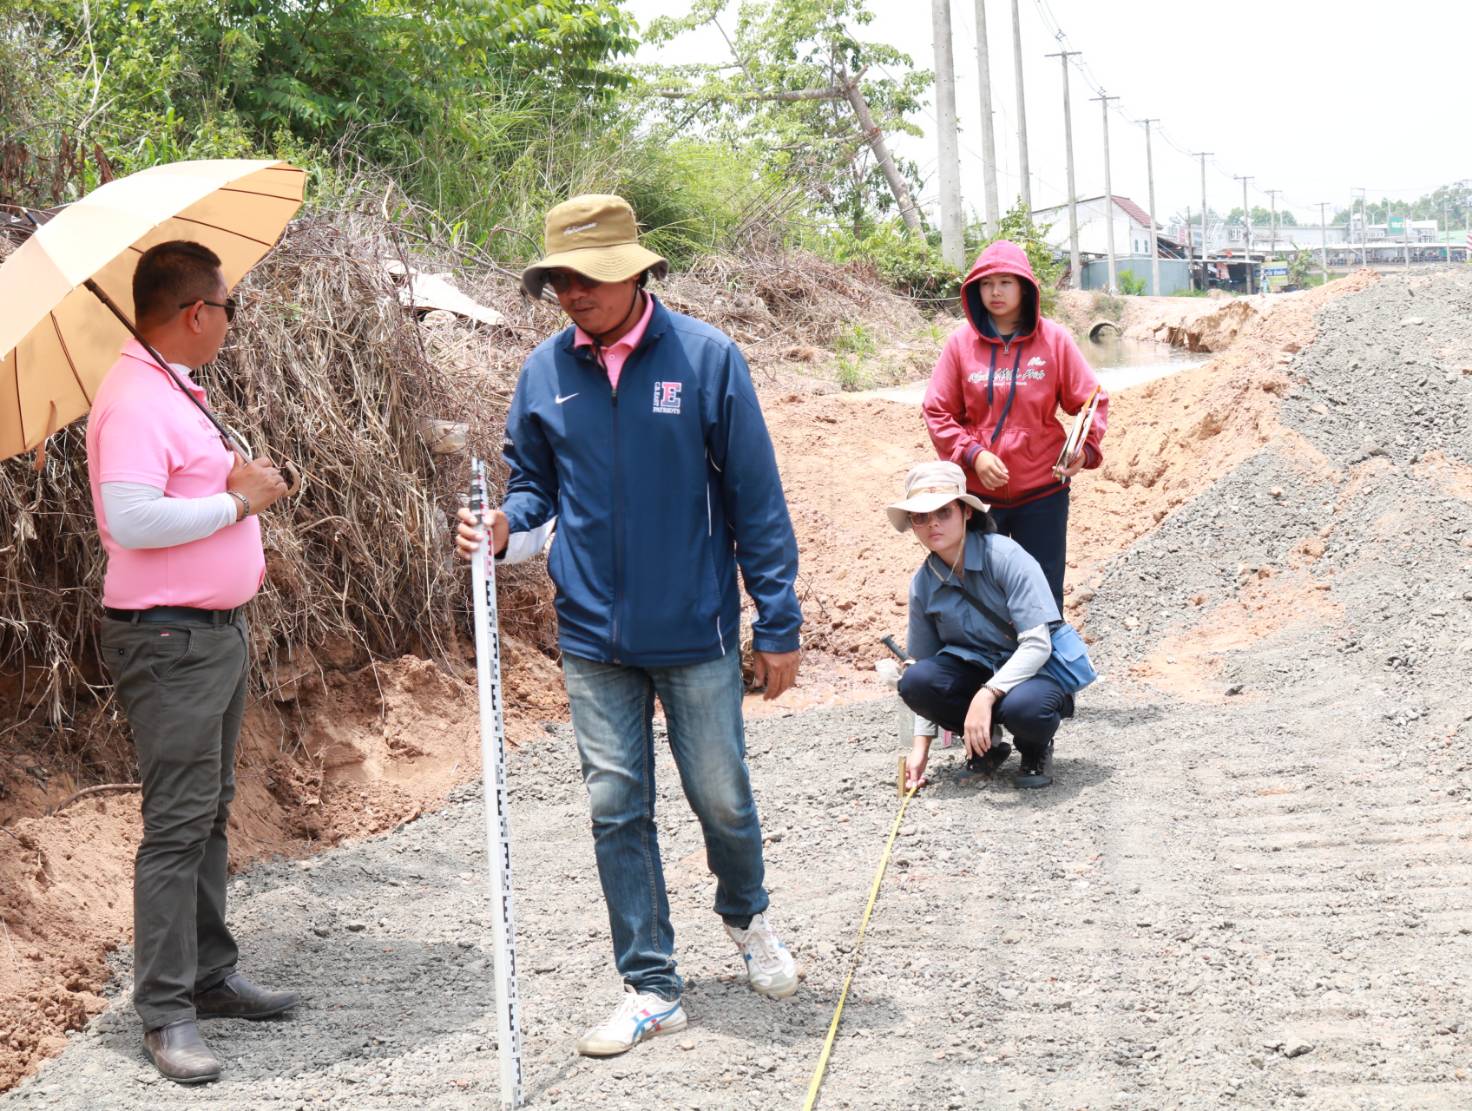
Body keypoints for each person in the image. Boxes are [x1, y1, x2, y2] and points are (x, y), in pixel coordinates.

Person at [454, 194, 803, 1058]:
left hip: (696, 628)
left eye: (589, 276)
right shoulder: (544, 373)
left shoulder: (708, 359)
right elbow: (534, 492)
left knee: (721, 795)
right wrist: (500, 529)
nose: (574, 292)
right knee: (616, 807)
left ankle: (747, 916)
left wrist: (778, 619)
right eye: (560, 279)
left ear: (635, 272)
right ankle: (651, 984)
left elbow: (756, 499)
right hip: (592, 636)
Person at [87, 241, 296, 1085]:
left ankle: (208, 974)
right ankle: (167, 1010)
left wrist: (242, 501)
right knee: (178, 824)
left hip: (209, 634)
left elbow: (184, 500)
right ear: (196, 312)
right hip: (170, 638)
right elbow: (131, 520)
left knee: (208, 810)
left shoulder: (172, 388)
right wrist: (239, 502)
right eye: (228, 306)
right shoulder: (137, 397)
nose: (230, 321)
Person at [922, 239, 1108, 611]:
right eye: (987, 283)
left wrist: (1085, 450)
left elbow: (1092, 401)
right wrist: (973, 455)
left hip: (1043, 494)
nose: (995, 292)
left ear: (1025, 288)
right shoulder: (960, 344)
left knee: (1042, 593)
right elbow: (936, 411)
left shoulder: (1054, 341)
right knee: (979, 594)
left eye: (1006, 282)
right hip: (978, 499)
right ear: (975, 289)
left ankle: (1046, 648)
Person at [888, 461, 1074, 791]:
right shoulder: (923, 583)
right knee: (915, 681)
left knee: (1025, 708)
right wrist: (920, 750)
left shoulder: (1006, 557)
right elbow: (923, 667)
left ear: (966, 512)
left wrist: (986, 695)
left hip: (1034, 674)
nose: (933, 524)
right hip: (975, 674)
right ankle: (985, 746)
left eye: (943, 512)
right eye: (921, 517)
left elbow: (1037, 645)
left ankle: (1035, 747)